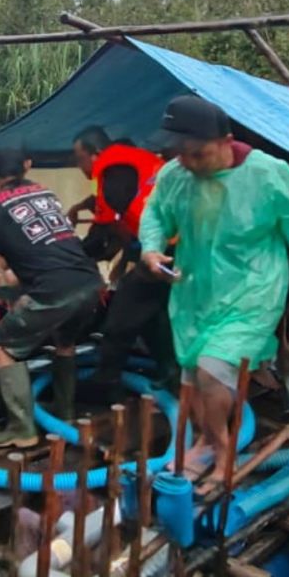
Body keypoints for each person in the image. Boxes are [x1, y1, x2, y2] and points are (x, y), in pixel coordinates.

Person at [139, 96, 289, 476]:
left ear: (226, 141)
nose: (187, 162)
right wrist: (151, 250)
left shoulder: (268, 174)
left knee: (212, 369)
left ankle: (224, 455)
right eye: (180, 154)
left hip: (252, 290)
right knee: (191, 372)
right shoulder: (176, 174)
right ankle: (206, 440)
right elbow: (155, 213)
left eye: (197, 154)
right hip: (194, 292)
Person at [0, 148, 105, 446]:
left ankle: (21, 429)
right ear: (28, 165)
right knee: (65, 341)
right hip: (89, 281)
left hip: (55, 289)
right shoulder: (44, 192)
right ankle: (66, 413)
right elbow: (40, 248)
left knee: (2, 343)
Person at [65, 124, 175, 389]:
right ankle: (169, 373)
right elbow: (120, 197)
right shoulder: (132, 159)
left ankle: (106, 380)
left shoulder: (111, 168)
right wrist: (83, 206)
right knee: (154, 312)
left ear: (95, 153)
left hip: (166, 249)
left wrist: (72, 256)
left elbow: (104, 230)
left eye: (79, 159)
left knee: (123, 308)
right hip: (174, 243)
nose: (80, 168)